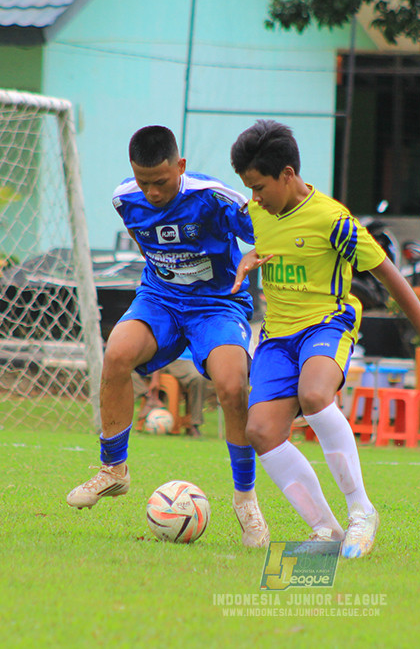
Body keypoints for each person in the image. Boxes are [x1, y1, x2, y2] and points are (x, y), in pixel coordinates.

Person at [229, 119, 420, 558]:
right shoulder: (257, 213)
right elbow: (247, 242)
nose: (254, 197)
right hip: (276, 336)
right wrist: (246, 255)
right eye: (248, 189)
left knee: (314, 396)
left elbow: (387, 272)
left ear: (287, 175)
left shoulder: (332, 219)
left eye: (259, 186)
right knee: (259, 430)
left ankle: (361, 511)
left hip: (327, 324)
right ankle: (325, 530)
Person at [66, 125, 270, 549]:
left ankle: (245, 498)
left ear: (179, 166)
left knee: (233, 386)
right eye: (144, 182)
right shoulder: (125, 200)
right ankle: (114, 471)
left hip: (217, 305)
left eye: (161, 182)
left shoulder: (213, 197)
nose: (153, 192)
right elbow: (152, 249)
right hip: (160, 299)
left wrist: (254, 251)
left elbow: (267, 224)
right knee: (117, 354)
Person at [132, 351, 214, 438]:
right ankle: (150, 398)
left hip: (181, 359)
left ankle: (194, 424)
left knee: (198, 378)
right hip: (157, 356)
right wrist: (155, 379)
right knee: (127, 367)